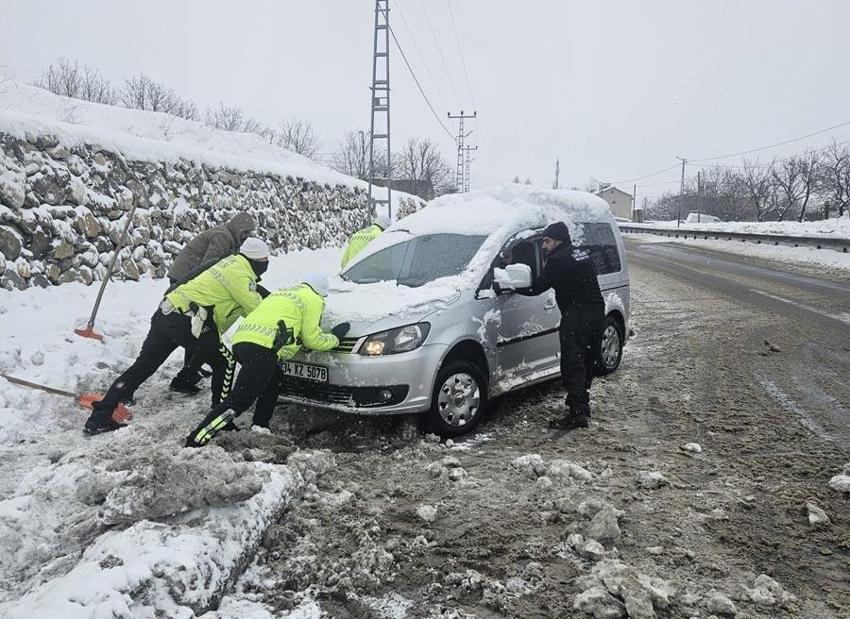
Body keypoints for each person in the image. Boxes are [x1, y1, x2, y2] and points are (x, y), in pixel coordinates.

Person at [83, 238, 269, 435]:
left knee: (144, 365)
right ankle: (219, 417)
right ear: (257, 261)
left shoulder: (228, 263)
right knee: (225, 361)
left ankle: (99, 418)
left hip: (167, 310)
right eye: (265, 260)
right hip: (187, 320)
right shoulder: (240, 274)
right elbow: (257, 308)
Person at [185, 273, 349, 447]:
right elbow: (312, 339)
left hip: (241, 343)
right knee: (240, 400)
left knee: (274, 379)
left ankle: (260, 425)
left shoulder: (282, 294)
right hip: (261, 350)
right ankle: (197, 439)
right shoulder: (314, 299)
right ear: (321, 292)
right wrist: (335, 338)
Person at [515, 222, 604, 430]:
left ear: (558, 240)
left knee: (572, 363)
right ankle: (581, 403)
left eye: (547, 241)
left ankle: (577, 415)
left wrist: (510, 285)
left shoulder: (557, 260)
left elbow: (536, 288)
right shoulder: (581, 254)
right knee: (586, 359)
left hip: (577, 315)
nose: (544, 246)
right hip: (597, 311)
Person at [167, 212, 257, 394]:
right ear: (238, 229)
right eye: (245, 232)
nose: (247, 236)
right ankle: (187, 375)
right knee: (200, 331)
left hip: (192, 280)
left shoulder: (231, 237)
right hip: (185, 278)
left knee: (200, 330)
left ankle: (189, 370)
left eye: (250, 233)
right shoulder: (223, 238)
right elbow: (210, 265)